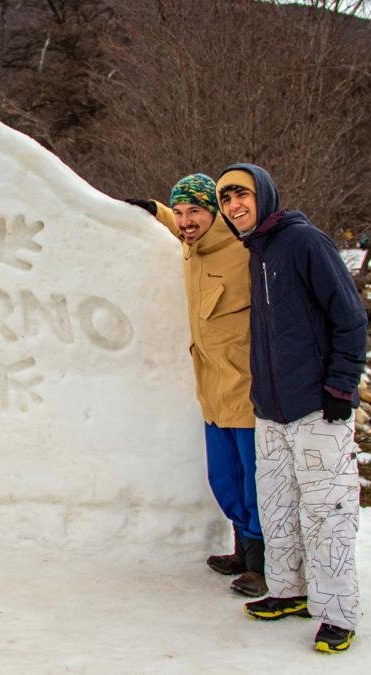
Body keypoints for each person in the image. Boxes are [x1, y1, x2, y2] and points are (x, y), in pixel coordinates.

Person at [215, 163, 367, 653]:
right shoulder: (255, 251)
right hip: (271, 412)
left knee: (327, 514)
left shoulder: (305, 243)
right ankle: (289, 590)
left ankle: (338, 614)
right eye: (225, 199)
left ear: (263, 194)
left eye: (240, 194)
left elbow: (350, 318)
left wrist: (340, 388)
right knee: (278, 509)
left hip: (317, 408)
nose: (233, 205)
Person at [125, 174, 265, 598]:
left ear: (215, 211)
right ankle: (242, 549)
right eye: (181, 213)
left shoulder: (244, 250)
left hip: (248, 391)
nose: (186, 221)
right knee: (225, 479)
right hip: (212, 391)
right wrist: (155, 211)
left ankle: (264, 564)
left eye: (195, 212)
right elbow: (178, 225)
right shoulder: (192, 247)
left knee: (258, 484)